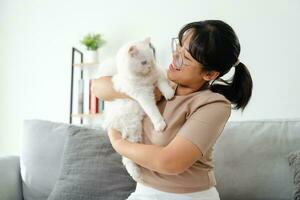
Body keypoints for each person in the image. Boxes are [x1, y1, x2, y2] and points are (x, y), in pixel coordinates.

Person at [91, 20, 253, 200]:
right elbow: (98, 88)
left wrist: (118, 144)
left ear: (209, 74)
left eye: (186, 58)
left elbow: (170, 162)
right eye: (178, 47)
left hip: (189, 196)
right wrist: (140, 93)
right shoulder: (160, 81)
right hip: (143, 192)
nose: (175, 57)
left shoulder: (213, 105)